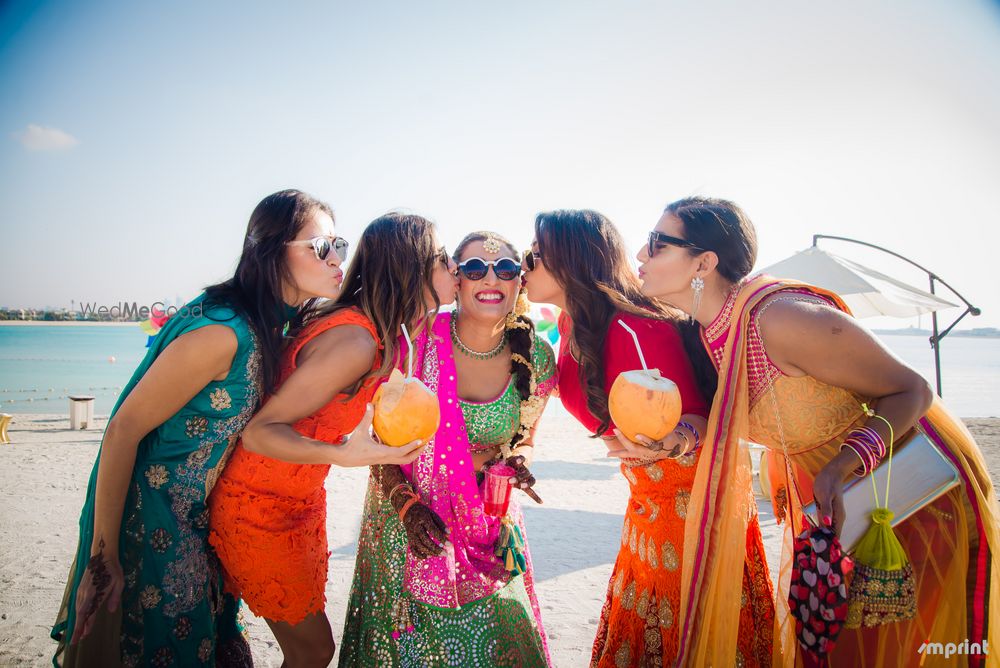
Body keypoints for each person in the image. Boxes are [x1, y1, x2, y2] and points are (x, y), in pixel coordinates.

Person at [638, 196, 1000, 667]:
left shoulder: (782, 319)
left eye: (656, 244)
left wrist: (842, 464)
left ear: (704, 262)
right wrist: (678, 437)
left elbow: (912, 390)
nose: (641, 257)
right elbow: (728, 418)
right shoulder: (709, 331)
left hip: (903, 496)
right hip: (837, 510)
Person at [51, 189, 341, 667]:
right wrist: (104, 560)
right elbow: (123, 429)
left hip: (200, 521)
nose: (336, 259)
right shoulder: (224, 333)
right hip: (152, 522)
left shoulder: (275, 324)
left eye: (340, 246)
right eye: (321, 246)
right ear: (270, 251)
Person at [523, 209, 774, 665]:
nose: (524, 268)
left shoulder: (634, 325)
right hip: (645, 502)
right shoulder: (571, 325)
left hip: (691, 507)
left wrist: (673, 441)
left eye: (534, 257)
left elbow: (696, 412)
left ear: (569, 260)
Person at [208, 212, 454, 668]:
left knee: (309, 648)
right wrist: (343, 456)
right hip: (258, 506)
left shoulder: (383, 333)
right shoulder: (355, 342)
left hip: (299, 500)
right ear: (410, 268)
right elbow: (260, 432)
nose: (454, 268)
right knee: (314, 650)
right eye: (442, 258)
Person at [339, 231, 556, 667]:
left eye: (506, 269)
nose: (490, 278)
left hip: (487, 525)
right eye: (475, 268)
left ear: (519, 283)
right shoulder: (415, 343)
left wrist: (519, 462)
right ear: (456, 279)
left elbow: (525, 440)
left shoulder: (537, 356)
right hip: (408, 528)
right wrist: (407, 507)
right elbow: (374, 443)